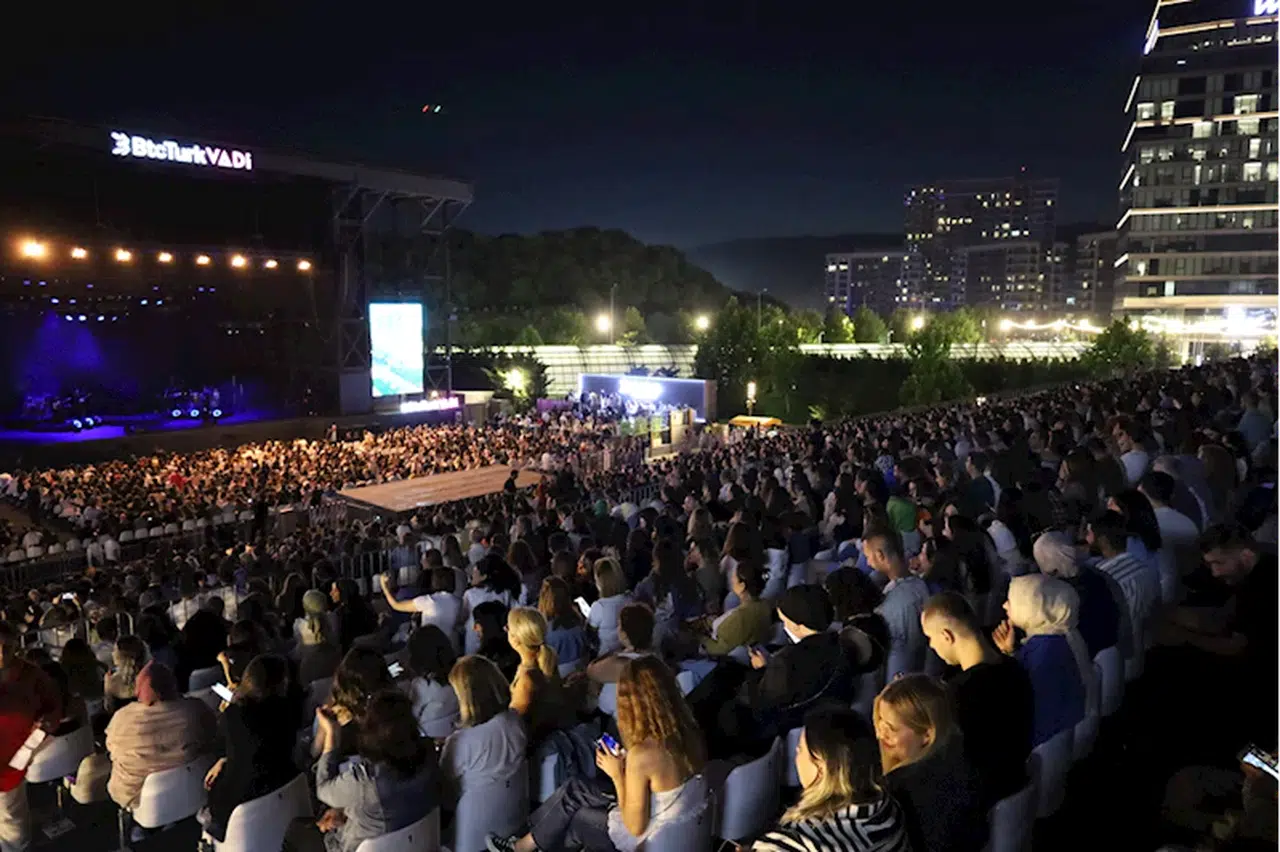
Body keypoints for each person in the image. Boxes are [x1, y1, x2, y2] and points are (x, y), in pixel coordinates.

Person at [487, 656, 708, 852]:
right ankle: (526, 842)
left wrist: (617, 774)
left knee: (577, 820)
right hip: (676, 826)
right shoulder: (689, 731)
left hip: (650, 837)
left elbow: (635, 827)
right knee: (576, 787)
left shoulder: (643, 755)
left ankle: (526, 846)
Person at [284, 690, 438, 852]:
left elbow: (323, 790)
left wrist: (331, 735)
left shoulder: (366, 781)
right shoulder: (429, 754)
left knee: (296, 831)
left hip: (352, 846)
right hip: (417, 843)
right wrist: (348, 811)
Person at [920, 592, 1033, 803]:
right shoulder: (1014, 668)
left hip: (981, 799)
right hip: (1016, 785)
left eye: (930, 638)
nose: (932, 646)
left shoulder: (957, 695)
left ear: (946, 636)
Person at [753, 703, 912, 852]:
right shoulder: (887, 809)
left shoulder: (795, 841)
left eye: (800, 749)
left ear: (821, 769)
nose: (796, 754)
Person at [873, 674, 987, 852]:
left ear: (927, 735)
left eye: (892, 729)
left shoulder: (898, 790)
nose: (881, 734)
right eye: (880, 722)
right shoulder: (966, 766)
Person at [202, 655, 304, 843]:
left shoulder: (233, 715)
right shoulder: (289, 711)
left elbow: (229, 746)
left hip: (240, 803)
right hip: (282, 788)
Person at [105, 660, 217, 812]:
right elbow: (212, 735)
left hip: (138, 800)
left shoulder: (122, 719)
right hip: (193, 790)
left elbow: (111, 749)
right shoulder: (197, 710)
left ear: (141, 692)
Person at [992, 574, 1089, 748]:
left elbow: (1026, 700)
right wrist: (1010, 651)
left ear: (1032, 607)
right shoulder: (1060, 635)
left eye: (1012, 601)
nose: (1004, 605)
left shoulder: (1045, 652)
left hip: (1043, 744)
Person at [0, 622, 63, 852]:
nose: (1, 654)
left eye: (6, 647)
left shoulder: (32, 675)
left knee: (11, 817)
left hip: (14, 759)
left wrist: (47, 722)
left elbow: (53, 705)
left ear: (16, 645)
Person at [440, 656, 527, 809]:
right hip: (514, 811)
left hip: (469, 817)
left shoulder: (461, 742)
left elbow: (442, 784)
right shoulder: (516, 720)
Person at [864, 531, 929, 680]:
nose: (867, 562)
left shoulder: (892, 604)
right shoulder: (920, 585)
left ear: (880, 555)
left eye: (868, 556)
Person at [506, 607, 567, 741]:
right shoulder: (547, 659)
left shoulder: (527, 680)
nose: (505, 630)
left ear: (516, 639)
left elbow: (514, 723)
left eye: (508, 628)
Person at [698, 557, 771, 658]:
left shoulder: (740, 617)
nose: (731, 579)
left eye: (734, 577)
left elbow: (721, 649)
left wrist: (701, 638)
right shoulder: (764, 604)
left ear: (742, 586)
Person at [402, 625, 460, 738]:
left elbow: (411, 718)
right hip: (453, 733)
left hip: (424, 738)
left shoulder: (421, 686)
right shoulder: (460, 676)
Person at [588, 558, 632, 656]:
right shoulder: (630, 599)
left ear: (600, 581)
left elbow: (590, 633)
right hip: (626, 653)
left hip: (605, 655)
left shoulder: (600, 606)